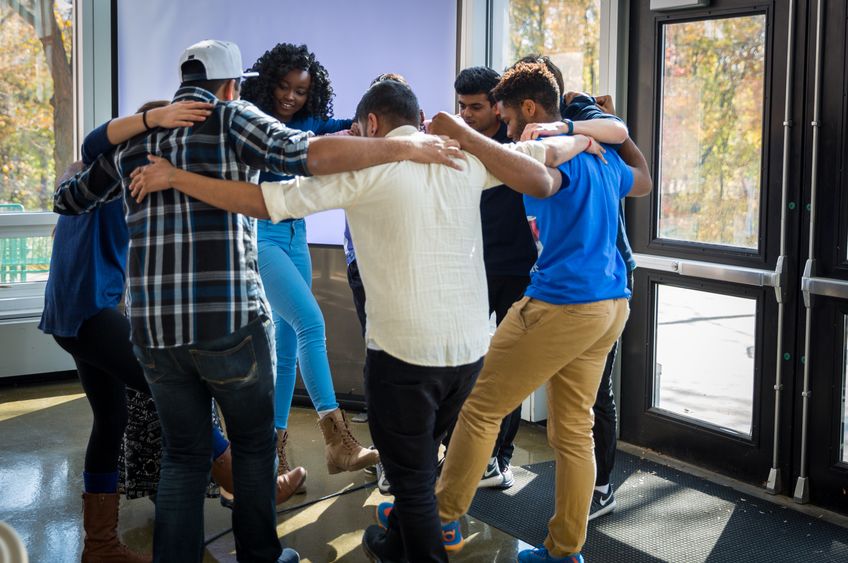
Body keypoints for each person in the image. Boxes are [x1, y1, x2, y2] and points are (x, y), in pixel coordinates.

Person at [126, 79, 596, 563]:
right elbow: (545, 156)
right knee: (421, 458)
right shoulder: (465, 158)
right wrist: (584, 136)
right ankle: (392, 545)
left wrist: (177, 179)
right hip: (470, 356)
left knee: (412, 485)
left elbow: (260, 201)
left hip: (405, 361)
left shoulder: (370, 169)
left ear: (371, 125)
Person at [53, 39, 464, 563]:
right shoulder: (231, 119)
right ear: (231, 86)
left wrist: (127, 141)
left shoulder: (137, 142)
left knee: (183, 455)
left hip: (156, 332)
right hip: (229, 322)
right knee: (250, 448)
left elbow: (69, 199)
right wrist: (405, 147)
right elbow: (309, 155)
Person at [432, 62, 652, 563]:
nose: (506, 130)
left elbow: (524, 173)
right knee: (573, 429)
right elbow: (642, 178)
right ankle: (564, 552)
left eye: (507, 118)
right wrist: (601, 133)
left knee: (480, 406)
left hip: (560, 304)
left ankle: (436, 522)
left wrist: (461, 133)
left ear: (529, 108)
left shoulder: (553, 159)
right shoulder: (600, 161)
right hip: (610, 305)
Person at [39, 100, 217, 563]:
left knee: (112, 418)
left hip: (72, 315)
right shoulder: (117, 173)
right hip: (89, 314)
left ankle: (99, 545)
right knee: (174, 390)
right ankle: (250, 483)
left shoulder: (86, 170)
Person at [240, 43, 378, 483]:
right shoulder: (250, 121)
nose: (291, 97)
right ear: (269, 83)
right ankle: (338, 441)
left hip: (297, 237)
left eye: (301, 91)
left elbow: (348, 129)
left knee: (286, 349)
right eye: (284, 86)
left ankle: (273, 458)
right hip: (263, 236)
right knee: (311, 324)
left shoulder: (310, 123)